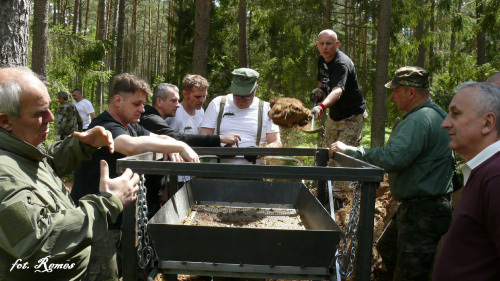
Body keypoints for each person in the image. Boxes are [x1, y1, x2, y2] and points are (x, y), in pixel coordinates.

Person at [0, 66, 140, 281]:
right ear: (5, 121)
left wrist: (81, 145)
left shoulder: (18, 149)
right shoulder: (3, 174)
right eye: (39, 113)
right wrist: (108, 203)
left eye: (49, 108)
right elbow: (39, 240)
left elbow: (43, 163)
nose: (51, 117)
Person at [329, 66, 454, 280]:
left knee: (410, 273)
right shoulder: (434, 113)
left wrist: (352, 151)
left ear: (411, 92)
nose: (393, 96)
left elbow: (394, 157)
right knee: (388, 248)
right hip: (421, 207)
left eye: (396, 90)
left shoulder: (417, 120)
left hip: (423, 210)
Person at [72, 73, 199, 281]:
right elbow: (129, 146)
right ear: (118, 100)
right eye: (137, 104)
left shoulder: (131, 125)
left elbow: (160, 137)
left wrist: (173, 144)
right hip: (96, 221)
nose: (142, 109)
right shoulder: (105, 125)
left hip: (116, 217)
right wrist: (179, 145)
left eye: (143, 104)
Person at [433, 82, 500, 281]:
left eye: (456, 114)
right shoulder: (484, 172)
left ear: (488, 123)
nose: (445, 123)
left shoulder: (495, 177)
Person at [200, 68, 281, 163]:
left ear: (256, 89)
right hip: (219, 171)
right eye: (237, 95)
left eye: (247, 96)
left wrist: (260, 152)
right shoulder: (218, 103)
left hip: (253, 173)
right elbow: (203, 137)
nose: (241, 99)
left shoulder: (266, 109)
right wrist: (218, 147)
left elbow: (276, 143)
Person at [311, 29, 367, 149]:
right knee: (329, 155)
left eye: (329, 43)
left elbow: (337, 91)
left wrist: (321, 106)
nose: (325, 47)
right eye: (322, 44)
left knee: (343, 157)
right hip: (334, 116)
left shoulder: (341, 64)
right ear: (317, 45)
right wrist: (319, 89)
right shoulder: (321, 59)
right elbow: (322, 78)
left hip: (352, 117)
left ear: (337, 44)